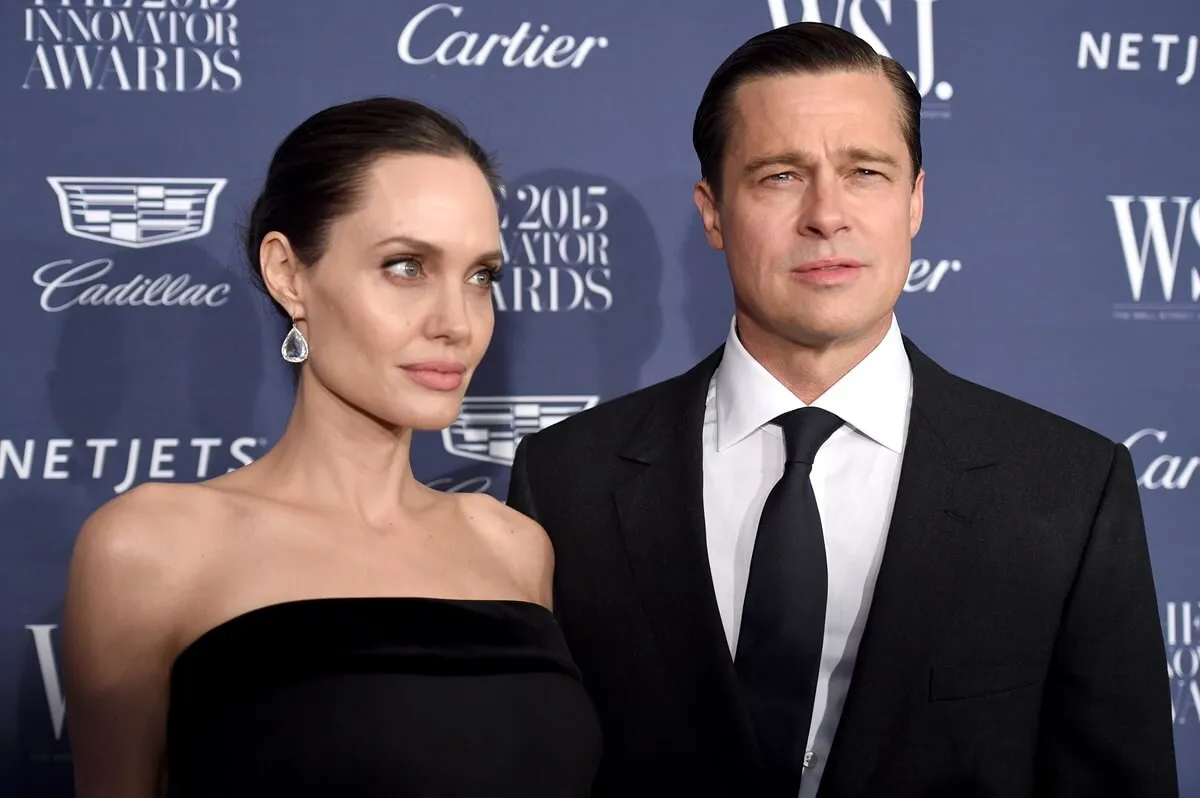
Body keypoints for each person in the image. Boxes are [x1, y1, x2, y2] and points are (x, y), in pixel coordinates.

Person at [506, 22, 1179, 798]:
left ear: (916, 200)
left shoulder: (1067, 488)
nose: (827, 214)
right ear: (713, 212)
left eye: (865, 171)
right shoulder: (566, 481)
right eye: (780, 176)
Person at [61, 97, 601, 798]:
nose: (456, 323)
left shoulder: (515, 547)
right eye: (406, 266)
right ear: (289, 274)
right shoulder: (151, 547)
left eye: (480, 276)